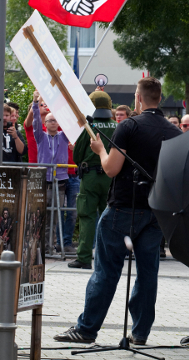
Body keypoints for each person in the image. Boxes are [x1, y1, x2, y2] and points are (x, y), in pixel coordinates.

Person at [54, 77, 182, 345]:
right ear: (160, 98)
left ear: (138, 97)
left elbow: (111, 169)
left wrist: (100, 150)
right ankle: (141, 332)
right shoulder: (175, 133)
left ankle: (87, 328)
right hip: (157, 209)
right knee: (148, 273)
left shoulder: (129, 126)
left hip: (124, 206)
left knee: (106, 270)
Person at [69, 90, 118, 270]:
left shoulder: (89, 127)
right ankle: (108, 257)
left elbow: (77, 155)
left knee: (87, 216)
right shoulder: (118, 126)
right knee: (110, 217)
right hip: (112, 177)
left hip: (89, 177)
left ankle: (83, 258)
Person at [32, 98, 70, 253]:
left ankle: (50, 246)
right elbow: (35, 123)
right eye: (50, 120)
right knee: (42, 214)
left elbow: (71, 123)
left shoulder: (64, 136)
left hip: (60, 180)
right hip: (44, 180)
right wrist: (35, 105)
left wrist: (64, 105)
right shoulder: (40, 137)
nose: (53, 123)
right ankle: (41, 246)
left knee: (55, 215)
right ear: (45, 123)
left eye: (55, 120)